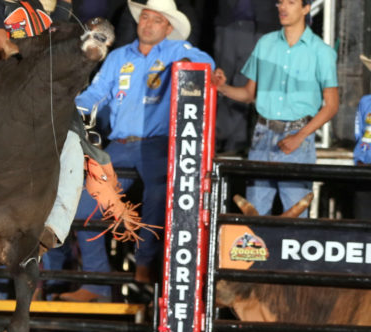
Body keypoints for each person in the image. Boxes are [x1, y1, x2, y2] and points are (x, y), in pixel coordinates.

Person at [73, 0, 214, 284]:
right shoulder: (118, 57)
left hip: (158, 145)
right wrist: (70, 106)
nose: (148, 24)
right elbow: (96, 94)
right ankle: (97, 282)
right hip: (120, 145)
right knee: (82, 211)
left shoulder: (178, 51)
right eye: (145, 17)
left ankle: (145, 266)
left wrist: (189, 66)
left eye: (156, 20)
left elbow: (206, 64)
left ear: (168, 27)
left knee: (157, 200)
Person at [213, 0, 338, 217]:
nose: (283, 7)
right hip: (263, 135)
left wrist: (300, 136)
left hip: (298, 139)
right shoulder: (265, 44)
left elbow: (332, 105)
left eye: (291, 2)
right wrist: (221, 87)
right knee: (254, 216)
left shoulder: (321, 52)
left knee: (295, 216)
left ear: (306, 8)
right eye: (280, 2)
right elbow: (249, 94)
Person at [213, 0, 279, 153]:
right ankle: (221, 137)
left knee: (244, 81)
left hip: (261, 23)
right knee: (222, 78)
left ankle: (234, 140)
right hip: (228, 20)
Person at [353, 55, 371, 220]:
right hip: (365, 166)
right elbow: (359, 133)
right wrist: (360, 157)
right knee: (363, 220)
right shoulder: (365, 102)